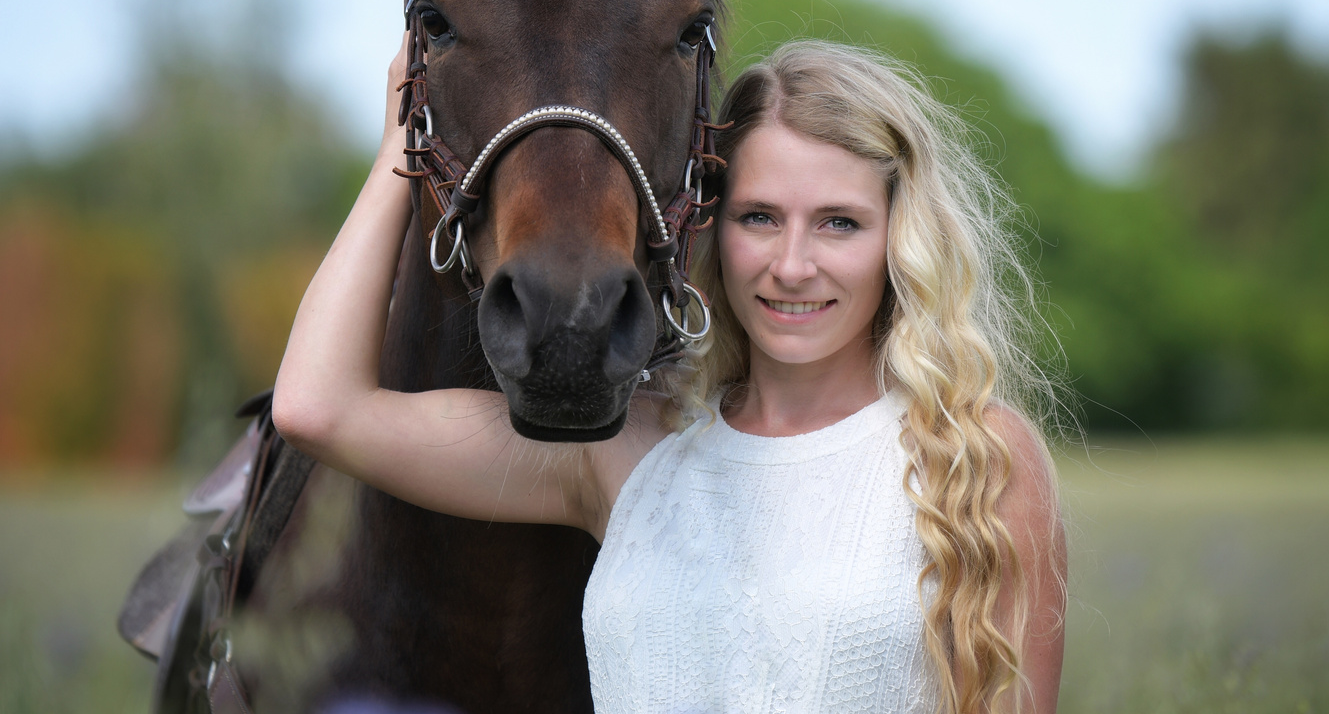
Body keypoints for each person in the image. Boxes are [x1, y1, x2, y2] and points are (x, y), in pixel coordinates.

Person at [274, 37, 1067, 714]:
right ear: (709, 228)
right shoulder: (628, 451)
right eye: (759, 217)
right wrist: (398, 152)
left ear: (900, 237)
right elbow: (319, 406)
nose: (793, 266)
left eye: (839, 223)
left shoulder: (972, 457)